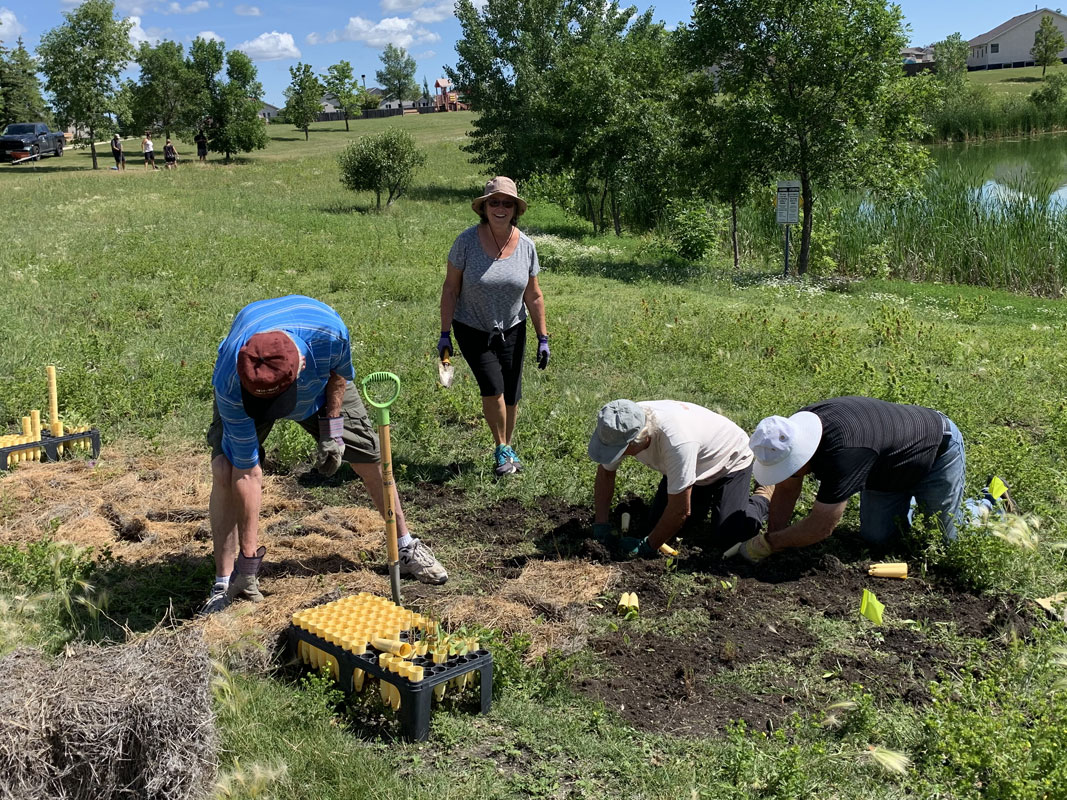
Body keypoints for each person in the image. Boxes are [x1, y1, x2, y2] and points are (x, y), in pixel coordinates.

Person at [201, 295, 448, 614]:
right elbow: (247, 473)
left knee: (369, 457)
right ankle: (225, 581)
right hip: (248, 393)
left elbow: (337, 374)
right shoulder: (232, 377)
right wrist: (250, 561)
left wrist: (332, 432)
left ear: (301, 364)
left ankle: (405, 546)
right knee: (225, 468)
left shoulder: (328, 333)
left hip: (321, 388)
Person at [728, 396, 965, 563]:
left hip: (936, 451)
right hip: (886, 469)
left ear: (802, 457)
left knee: (944, 541)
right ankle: (914, 503)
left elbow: (821, 526)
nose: (787, 474)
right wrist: (775, 538)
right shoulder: (792, 433)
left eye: (789, 468)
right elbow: (788, 487)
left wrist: (770, 543)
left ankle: (986, 504)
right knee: (877, 538)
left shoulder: (843, 456)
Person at [438, 176, 549, 476]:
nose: (500, 208)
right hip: (472, 327)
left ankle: (508, 447)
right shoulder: (465, 242)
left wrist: (543, 337)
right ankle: (501, 448)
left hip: (513, 326)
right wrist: (445, 333)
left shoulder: (526, 246)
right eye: (494, 202)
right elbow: (450, 289)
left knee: (512, 393)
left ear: (515, 209)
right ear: (484, 207)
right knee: (494, 388)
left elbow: (534, 294)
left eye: (507, 203)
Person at [588, 399, 773, 557]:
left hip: (729, 461)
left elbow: (679, 511)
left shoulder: (676, 442)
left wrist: (647, 546)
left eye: (619, 451)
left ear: (640, 439)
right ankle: (702, 499)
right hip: (693, 466)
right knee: (657, 526)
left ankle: (764, 493)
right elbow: (605, 473)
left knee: (730, 533)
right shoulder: (620, 424)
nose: (614, 455)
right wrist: (601, 523)